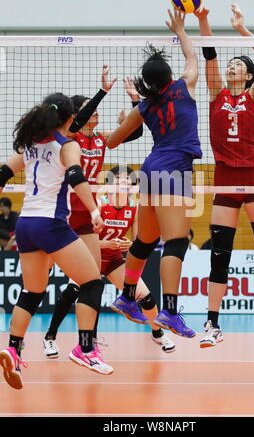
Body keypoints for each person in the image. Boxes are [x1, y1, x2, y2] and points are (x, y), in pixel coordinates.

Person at [0, 92, 117, 390]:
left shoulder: (30, 143)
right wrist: (93, 210)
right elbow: (77, 176)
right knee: (92, 283)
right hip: (50, 223)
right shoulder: (68, 145)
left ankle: (13, 348)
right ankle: (86, 349)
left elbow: (3, 173)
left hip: (25, 225)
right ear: (69, 119)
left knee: (33, 290)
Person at [106, 8, 202, 338]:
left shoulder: (143, 107)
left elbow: (111, 142)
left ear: (147, 83)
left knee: (144, 240)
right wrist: (180, 29)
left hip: (149, 170)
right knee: (176, 241)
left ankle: (127, 296)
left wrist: (126, 119)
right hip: (174, 169)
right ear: (169, 75)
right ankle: (171, 312)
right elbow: (193, 59)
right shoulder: (184, 86)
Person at [194, 3, 254, 347]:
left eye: (238, 65)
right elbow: (209, 53)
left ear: (246, 75)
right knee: (219, 253)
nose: (232, 67)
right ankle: (212, 324)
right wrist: (203, 21)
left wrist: (243, 30)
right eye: (229, 65)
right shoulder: (216, 95)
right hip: (226, 180)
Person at [42, 68, 144, 357]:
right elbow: (81, 119)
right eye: (90, 110)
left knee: (85, 282)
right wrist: (101, 92)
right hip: (60, 209)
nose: (96, 114)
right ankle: (41, 337)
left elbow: (133, 132)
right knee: (41, 281)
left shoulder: (100, 139)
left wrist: (137, 102)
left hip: (86, 211)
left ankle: (81, 340)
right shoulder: (69, 139)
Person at [43, 165, 175, 357]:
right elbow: (80, 238)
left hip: (114, 261)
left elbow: (137, 241)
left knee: (146, 297)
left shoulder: (134, 207)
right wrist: (107, 245)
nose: (124, 182)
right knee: (72, 292)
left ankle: (157, 333)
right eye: (119, 179)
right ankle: (50, 337)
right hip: (89, 257)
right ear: (111, 183)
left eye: (128, 180)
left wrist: (129, 244)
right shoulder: (99, 203)